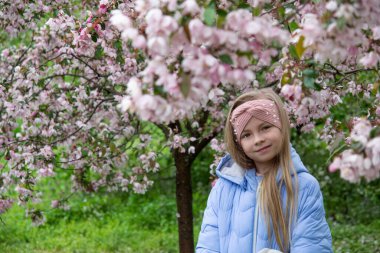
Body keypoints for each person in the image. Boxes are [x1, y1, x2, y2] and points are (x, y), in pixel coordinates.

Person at [196, 88, 332, 253]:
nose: (258, 140)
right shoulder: (223, 189)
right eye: (246, 135)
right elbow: (207, 247)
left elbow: (313, 247)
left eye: (265, 127)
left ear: (281, 126)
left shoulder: (304, 187)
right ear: (238, 143)